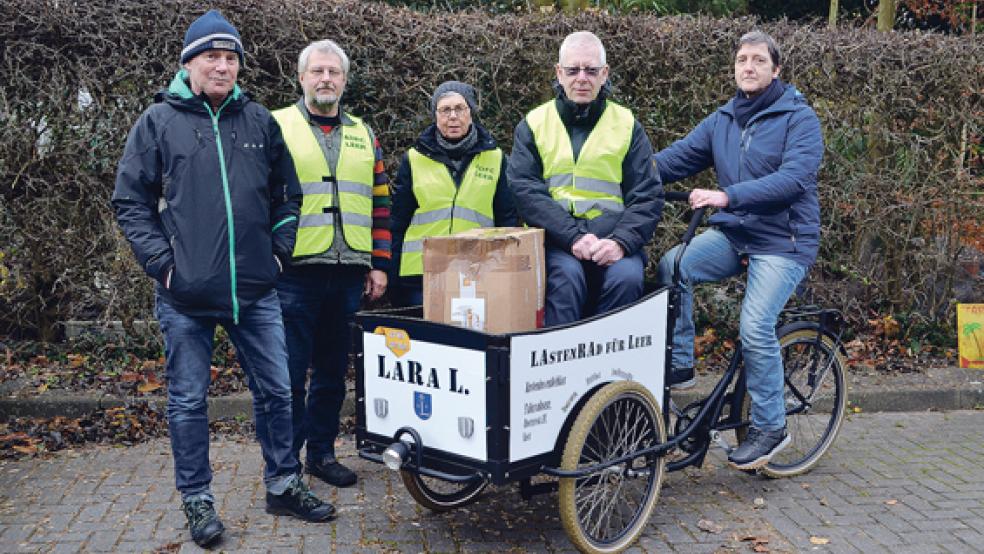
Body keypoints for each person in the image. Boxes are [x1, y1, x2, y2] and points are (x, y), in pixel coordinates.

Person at [112, 10, 336, 548]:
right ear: (188, 63)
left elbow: (288, 196)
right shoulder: (158, 122)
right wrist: (165, 267)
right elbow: (130, 201)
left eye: (230, 57)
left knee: (279, 392)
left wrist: (278, 254)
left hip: (256, 291)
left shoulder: (259, 121)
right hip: (184, 296)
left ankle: (283, 484)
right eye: (211, 56)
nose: (222, 65)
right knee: (188, 401)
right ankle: (197, 500)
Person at [654, 31, 823, 470]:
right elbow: (673, 160)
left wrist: (728, 196)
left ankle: (771, 426)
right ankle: (681, 360)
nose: (748, 67)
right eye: (742, 60)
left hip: (783, 241)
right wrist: (627, 175)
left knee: (754, 325)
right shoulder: (723, 119)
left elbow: (794, 179)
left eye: (758, 60)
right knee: (675, 264)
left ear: (776, 69)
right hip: (736, 234)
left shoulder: (799, 119)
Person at [272, 39, 391, 488]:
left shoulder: (365, 133)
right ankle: (284, 465)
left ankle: (320, 454)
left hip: (347, 274)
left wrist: (379, 263)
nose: (326, 79)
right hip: (294, 272)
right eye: (317, 71)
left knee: (330, 374)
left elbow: (380, 203)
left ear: (344, 80)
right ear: (301, 77)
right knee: (287, 376)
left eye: (334, 73)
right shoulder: (276, 126)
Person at [508, 31, 663, 326]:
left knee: (628, 279)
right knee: (566, 279)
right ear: (559, 73)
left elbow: (647, 195)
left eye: (591, 70)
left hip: (614, 240)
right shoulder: (533, 124)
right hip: (556, 241)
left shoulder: (627, 125)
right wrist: (573, 236)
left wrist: (620, 242)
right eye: (573, 70)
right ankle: (559, 366)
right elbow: (526, 191)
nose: (582, 78)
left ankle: (610, 368)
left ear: (604, 74)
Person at [390, 80, 518, 306]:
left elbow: (507, 220)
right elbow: (398, 221)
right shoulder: (414, 158)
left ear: (471, 113)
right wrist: (390, 274)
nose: (452, 116)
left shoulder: (496, 158)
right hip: (420, 275)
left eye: (460, 108)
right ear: (435, 116)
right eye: (445, 110)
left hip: (477, 272)